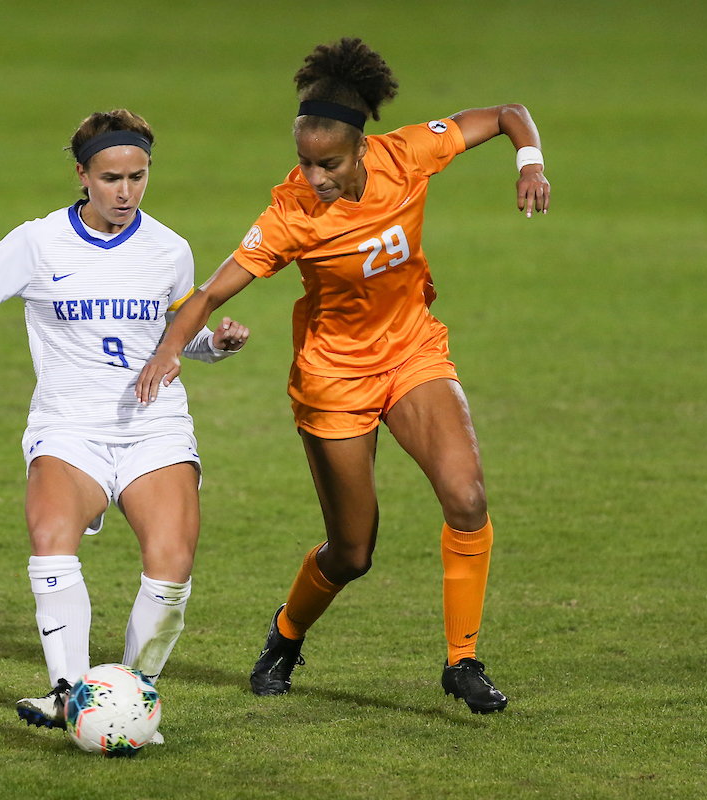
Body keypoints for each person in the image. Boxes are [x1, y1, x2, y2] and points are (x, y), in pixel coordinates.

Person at [135, 37, 550, 714]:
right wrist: (169, 350)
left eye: (327, 163)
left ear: (361, 146)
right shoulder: (291, 214)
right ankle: (286, 632)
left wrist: (530, 163)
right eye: (304, 161)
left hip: (412, 351)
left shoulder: (406, 154)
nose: (314, 176)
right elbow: (210, 293)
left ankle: (463, 661)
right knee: (353, 552)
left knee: (467, 496)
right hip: (334, 380)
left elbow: (508, 115)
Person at [0, 109, 249, 735]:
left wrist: (215, 346)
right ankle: (69, 692)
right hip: (69, 427)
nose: (126, 192)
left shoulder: (169, 248)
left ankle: (130, 698)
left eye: (138, 176)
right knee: (50, 538)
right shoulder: (38, 242)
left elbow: (174, 337)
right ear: (83, 175)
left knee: (171, 563)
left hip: (154, 427)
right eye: (111, 178)